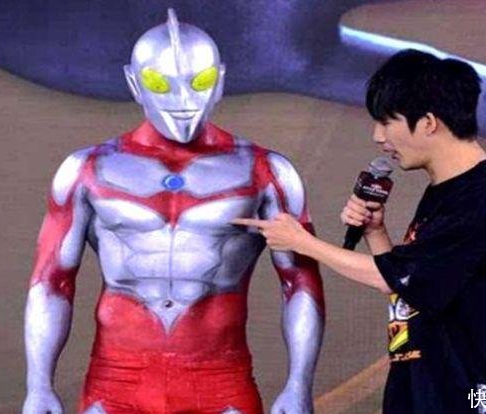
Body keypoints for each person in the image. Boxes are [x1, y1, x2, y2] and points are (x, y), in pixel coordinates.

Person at [22, 10, 324, 414]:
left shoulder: (267, 172)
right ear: (134, 82)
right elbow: (52, 281)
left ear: (219, 80)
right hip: (116, 379)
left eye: (199, 81)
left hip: (219, 377)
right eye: (160, 83)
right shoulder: (86, 170)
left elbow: (299, 282)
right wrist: (38, 385)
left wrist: (299, 383)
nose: (183, 100)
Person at [234, 50, 486, 413]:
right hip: (431, 391)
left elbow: (399, 277)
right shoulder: (449, 192)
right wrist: (376, 232)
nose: (378, 136)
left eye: (387, 122)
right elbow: (416, 287)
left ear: (429, 123)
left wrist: (301, 242)